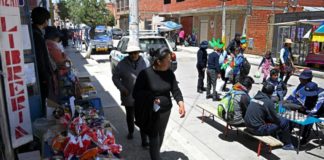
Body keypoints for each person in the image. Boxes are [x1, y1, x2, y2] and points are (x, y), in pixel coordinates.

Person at [133, 47, 186, 160]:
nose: (170, 62)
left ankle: (156, 153)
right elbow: (136, 93)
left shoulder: (169, 73)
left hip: (166, 111)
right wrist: (151, 98)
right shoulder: (145, 74)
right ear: (159, 62)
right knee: (153, 136)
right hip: (151, 111)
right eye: (168, 60)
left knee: (161, 134)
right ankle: (156, 157)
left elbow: (175, 90)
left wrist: (180, 103)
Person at [112, 45, 149, 147]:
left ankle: (144, 140)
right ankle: (131, 131)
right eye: (131, 53)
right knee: (130, 115)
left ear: (139, 53)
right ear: (128, 54)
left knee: (141, 118)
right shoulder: (122, 64)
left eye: (135, 53)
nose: (133, 55)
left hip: (141, 95)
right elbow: (115, 78)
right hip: (128, 94)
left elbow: (149, 76)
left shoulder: (144, 62)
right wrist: (122, 88)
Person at [244, 82, 295, 150]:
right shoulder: (268, 101)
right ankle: (288, 144)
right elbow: (276, 119)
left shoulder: (255, 97)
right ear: (271, 93)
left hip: (248, 126)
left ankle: (278, 135)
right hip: (257, 130)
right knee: (284, 121)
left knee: (271, 120)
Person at [31, 7, 56, 114]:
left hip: (41, 75)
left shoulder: (38, 33)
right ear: (43, 20)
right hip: (41, 77)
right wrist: (45, 76)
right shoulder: (37, 35)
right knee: (44, 99)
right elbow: (40, 59)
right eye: (46, 19)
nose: (47, 21)